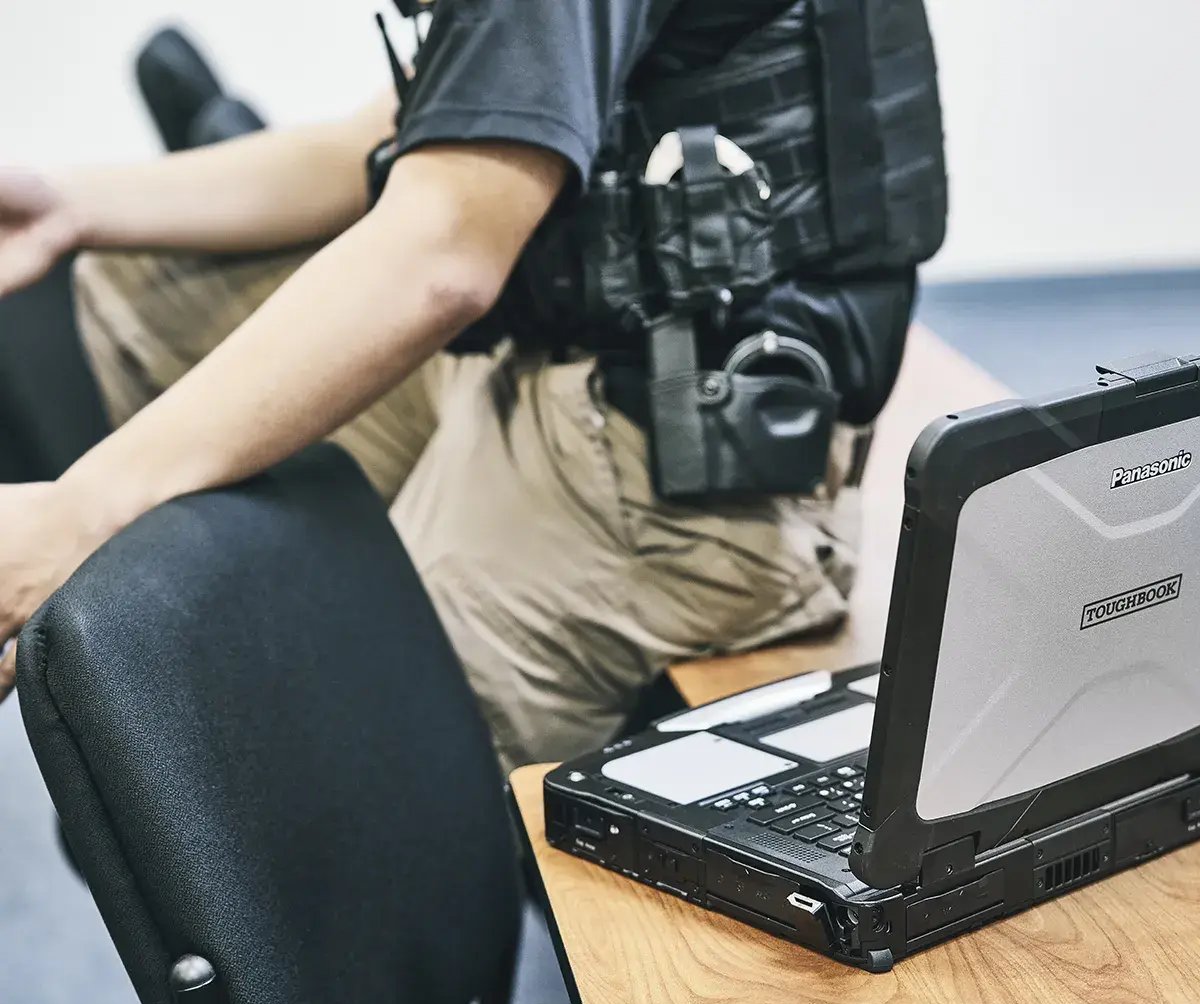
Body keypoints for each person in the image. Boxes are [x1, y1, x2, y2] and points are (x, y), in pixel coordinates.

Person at [0, 1, 944, 772]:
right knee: (126, 289)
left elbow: (443, 253)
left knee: (277, 783)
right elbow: (387, 145)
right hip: (541, 349)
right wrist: (72, 206)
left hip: (667, 473)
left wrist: (84, 510)